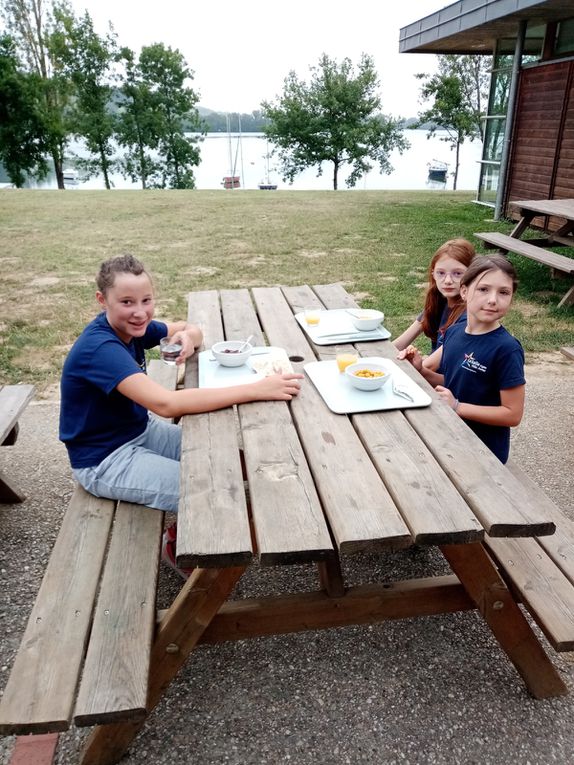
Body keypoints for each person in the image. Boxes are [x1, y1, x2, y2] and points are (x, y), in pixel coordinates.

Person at [59, 254, 303, 577]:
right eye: (127, 302)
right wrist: (257, 388)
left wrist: (187, 339)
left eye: (147, 300)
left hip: (137, 433)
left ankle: (220, 530)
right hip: (104, 460)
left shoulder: (134, 327)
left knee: (234, 459)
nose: (140, 311)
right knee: (211, 491)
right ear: (102, 301)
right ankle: (176, 545)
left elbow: (192, 329)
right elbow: (167, 405)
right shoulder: (100, 348)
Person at [397, 254, 525, 464]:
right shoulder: (454, 333)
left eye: (504, 292)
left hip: (483, 453)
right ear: (464, 292)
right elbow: (458, 381)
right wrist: (421, 370)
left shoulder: (507, 349)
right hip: (449, 438)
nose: (493, 299)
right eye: (483, 289)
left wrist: (457, 407)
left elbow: (512, 414)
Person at [393, 238, 476, 352]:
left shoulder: (469, 315)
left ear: (472, 274)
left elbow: (434, 365)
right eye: (441, 273)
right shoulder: (439, 302)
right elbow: (399, 344)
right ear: (433, 274)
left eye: (457, 273)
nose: (447, 280)